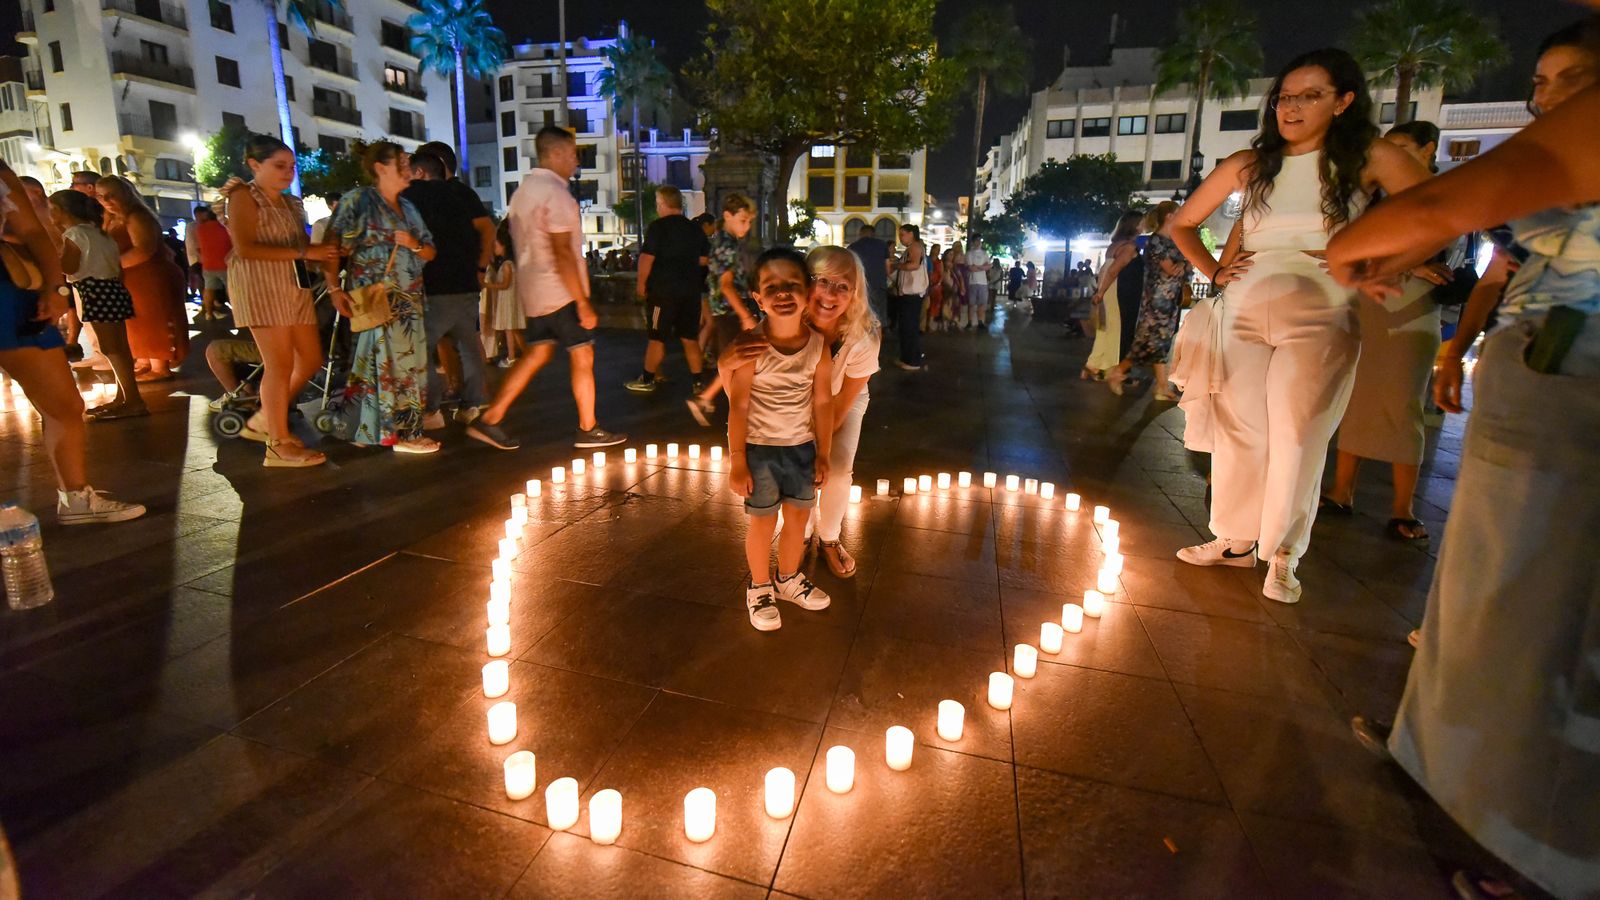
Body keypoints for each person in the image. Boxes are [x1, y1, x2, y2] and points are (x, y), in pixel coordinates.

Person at [1329, 17, 1600, 900]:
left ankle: (1544, 848)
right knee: (1494, 579)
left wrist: (1354, 241)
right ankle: (1444, 757)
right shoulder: (1557, 146)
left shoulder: (1580, 133)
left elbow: (1451, 207)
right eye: (1543, 80)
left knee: (1552, 597)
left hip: (1581, 370)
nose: (1549, 96)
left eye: (1572, 76)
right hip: (1540, 357)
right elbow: (1495, 242)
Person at [1167, 47, 1429, 604]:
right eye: (1285, 96)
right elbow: (1182, 223)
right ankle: (1235, 538)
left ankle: (1283, 553)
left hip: (1321, 308)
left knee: (1298, 432)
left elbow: (1435, 212)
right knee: (1242, 428)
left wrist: (1377, 262)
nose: (1292, 107)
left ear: (1344, 101)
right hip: (1243, 304)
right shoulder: (1250, 162)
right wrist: (1213, 267)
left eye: (1311, 95)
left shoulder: (1367, 156)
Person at [1321, 120, 1451, 540]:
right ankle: (1341, 491)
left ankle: (1403, 507)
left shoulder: (1447, 194)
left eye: (1401, 147)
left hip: (1413, 308)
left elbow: (1447, 246)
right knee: (1356, 399)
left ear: (1428, 149)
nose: (1388, 155)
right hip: (1369, 306)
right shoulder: (1375, 199)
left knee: (1402, 404)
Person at [721, 245, 881, 578]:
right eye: (822, 281)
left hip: (841, 399)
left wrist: (820, 450)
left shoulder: (863, 338)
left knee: (835, 469)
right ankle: (801, 534)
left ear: (854, 294)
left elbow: (833, 407)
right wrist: (725, 363)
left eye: (843, 286)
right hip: (793, 398)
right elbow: (741, 398)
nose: (830, 294)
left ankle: (830, 538)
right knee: (794, 467)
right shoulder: (784, 321)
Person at [0, 160, 144, 524]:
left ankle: (76, 497)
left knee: (63, 403)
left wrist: (56, 286)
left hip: (11, 296)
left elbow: (34, 232)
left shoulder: (1, 174)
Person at [465, 126, 626, 451]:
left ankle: (491, 419)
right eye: (571, 153)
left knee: (537, 352)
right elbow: (563, 252)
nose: (575, 161)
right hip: (560, 292)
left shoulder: (524, 191)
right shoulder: (556, 194)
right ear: (554, 154)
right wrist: (582, 302)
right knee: (583, 353)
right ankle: (588, 427)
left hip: (534, 291)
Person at [725, 246, 834, 631]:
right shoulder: (751, 346)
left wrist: (824, 453)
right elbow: (737, 406)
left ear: (807, 292)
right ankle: (758, 586)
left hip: (802, 448)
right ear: (757, 298)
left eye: (792, 284)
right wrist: (737, 458)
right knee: (762, 523)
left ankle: (788, 578)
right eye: (772, 287)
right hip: (760, 451)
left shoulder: (819, 346)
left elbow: (823, 401)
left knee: (798, 519)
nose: (783, 293)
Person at [222, 134, 337, 467]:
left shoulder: (289, 203)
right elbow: (245, 247)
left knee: (312, 358)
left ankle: (266, 421)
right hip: (260, 286)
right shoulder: (243, 196)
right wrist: (306, 251)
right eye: (279, 166)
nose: (288, 172)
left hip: (292, 285)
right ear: (255, 165)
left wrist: (324, 253)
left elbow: (301, 248)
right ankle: (278, 442)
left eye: (291, 166)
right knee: (279, 363)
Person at [322, 141, 441, 454]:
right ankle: (403, 433)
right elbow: (331, 245)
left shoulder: (409, 206)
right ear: (381, 168)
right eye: (401, 162)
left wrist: (412, 243)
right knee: (382, 362)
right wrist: (334, 288)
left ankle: (371, 428)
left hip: (409, 298)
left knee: (400, 363)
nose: (408, 168)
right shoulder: (359, 200)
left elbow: (429, 250)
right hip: (376, 296)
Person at [403, 148, 494, 431]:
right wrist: (480, 268)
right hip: (465, 281)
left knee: (421, 347)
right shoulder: (461, 195)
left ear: (419, 172)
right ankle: (474, 401)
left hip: (431, 283)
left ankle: (431, 408)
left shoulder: (409, 198)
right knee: (469, 343)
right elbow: (487, 229)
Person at [47, 190, 146, 420]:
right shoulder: (101, 234)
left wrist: (53, 252)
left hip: (93, 290)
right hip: (112, 288)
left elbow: (69, 267)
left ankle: (133, 400)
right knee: (120, 346)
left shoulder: (74, 234)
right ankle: (125, 396)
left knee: (111, 348)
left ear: (62, 212)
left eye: (52, 210)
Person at [95, 176, 189, 382]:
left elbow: (144, 249)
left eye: (112, 195)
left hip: (149, 276)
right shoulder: (112, 218)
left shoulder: (137, 216)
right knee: (136, 322)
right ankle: (145, 361)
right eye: (101, 196)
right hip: (130, 278)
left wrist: (113, 264)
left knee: (153, 320)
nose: (106, 200)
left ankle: (159, 366)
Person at [625, 185, 711, 394]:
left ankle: (647, 379)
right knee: (690, 338)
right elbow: (703, 259)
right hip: (690, 292)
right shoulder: (694, 229)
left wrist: (641, 284)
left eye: (657, 203)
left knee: (657, 337)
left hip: (663, 292)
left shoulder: (658, 227)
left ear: (662, 204)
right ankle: (697, 382)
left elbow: (646, 258)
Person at [686, 192, 759, 426]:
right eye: (743, 220)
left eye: (749, 222)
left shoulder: (722, 240)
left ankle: (709, 400)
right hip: (729, 311)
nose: (746, 227)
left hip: (724, 310)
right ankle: (735, 415)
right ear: (728, 216)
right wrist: (745, 315)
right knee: (738, 361)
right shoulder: (727, 245)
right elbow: (727, 286)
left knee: (736, 361)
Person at [1107, 201, 1190, 399]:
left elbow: (1184, 266)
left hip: (1170, 298)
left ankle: (1161, 387)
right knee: (1148, 341)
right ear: (1169, 216)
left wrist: (1183, 265)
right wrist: (1183, 264)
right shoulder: (1156, 241)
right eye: (1178, 213)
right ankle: (1118, 371)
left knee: (1161, 342)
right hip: (1157, 299)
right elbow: (1171, 268)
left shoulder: (1173, 241)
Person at [1083, 210, 1145, 380]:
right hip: (1119, 290)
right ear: (1135, 225)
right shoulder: (1129, 247)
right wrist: (1101, 292)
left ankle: (1096, 364)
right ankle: (1108, 367)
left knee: (1107, 326)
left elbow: (1107, 269)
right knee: (1116, 328)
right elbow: (1114, 269)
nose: (1144, 224)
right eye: (1142, 221)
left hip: (1111, 289)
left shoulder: (1115, 245)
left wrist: (1100, 291)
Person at [482, 222, 522, 365]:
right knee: (512, 329)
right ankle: (524, 353)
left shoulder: (506, 265)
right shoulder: (507, 263)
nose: (495, 248)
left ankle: (512, 357)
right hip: (508, 300)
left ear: (503, 245)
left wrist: (487, 285)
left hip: (507, 300)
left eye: (496, 245)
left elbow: (505, 284)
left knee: (509, 330)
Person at [890, 223, 928, 370]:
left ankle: (911, 360)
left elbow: (914, 265)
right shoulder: (912, 248)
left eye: (902, 234)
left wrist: (896, 266)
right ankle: (910, 357)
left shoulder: (915, 247)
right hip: (909, 294)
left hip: (911, 294)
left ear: (911, 234)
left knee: (909, 327)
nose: (900, 237)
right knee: (908, 327)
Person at [847, 225, 891, 331]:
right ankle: (879, 338)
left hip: (860, 285)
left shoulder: (853, 247)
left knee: (861, 313)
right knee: (879, 313)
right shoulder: (882, 245)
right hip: (879, 284)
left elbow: (849, 267)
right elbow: (887, 266)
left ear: (861, 233)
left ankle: (864, 337)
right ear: (873, 234)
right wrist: (888, 278)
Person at [192, 205, 232, 322]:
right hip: (225, 263)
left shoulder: (200, 229)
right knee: (231, 289)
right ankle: (237, 313)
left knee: (209, 289)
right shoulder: (225, 227)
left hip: (208, 264)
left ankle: (208, 313)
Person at [964, 237, 992, 330]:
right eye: (977, 240)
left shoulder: (984, 253)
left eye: (980, 241)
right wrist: (983, 267)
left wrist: (979, 267)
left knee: (982, 303)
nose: (979, 242)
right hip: (972, 281)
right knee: (971, 304)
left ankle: (980, 322)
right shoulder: (969, 254)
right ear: (973, 242)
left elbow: (989, 266)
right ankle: (970, 322)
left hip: (983, 282)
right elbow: (971, 268)